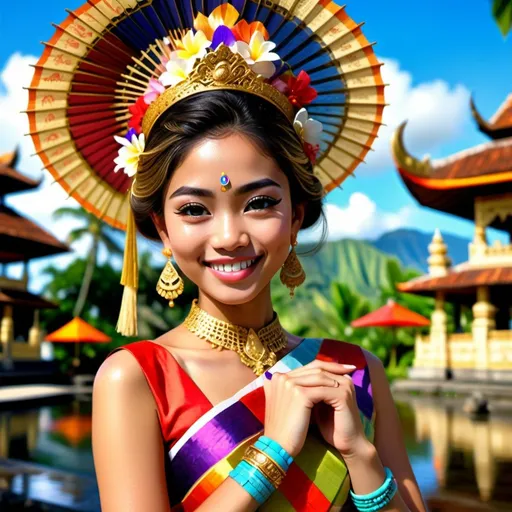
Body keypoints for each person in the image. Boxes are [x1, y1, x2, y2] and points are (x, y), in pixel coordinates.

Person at [28, 1, 426, 510]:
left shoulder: (356, 371)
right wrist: (273, 452)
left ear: (298, 215)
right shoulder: (136, 379)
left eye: (259, 203)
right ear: (162, 229)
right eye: (195, 209)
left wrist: (360, 455)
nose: (229, 235)